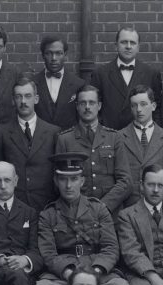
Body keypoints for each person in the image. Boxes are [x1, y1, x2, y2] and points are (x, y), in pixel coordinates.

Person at [34, 153, 132, 285]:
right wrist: (70, 274)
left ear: (82, 180)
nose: (68, 185)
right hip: (63, 275)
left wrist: (95, 273)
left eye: (73, 179)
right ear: (56, 181)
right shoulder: (48, 214)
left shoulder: (99, 209)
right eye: (63, 179)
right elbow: (48, 254)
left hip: (97, 272)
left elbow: (111, 247)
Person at [55, 85, 132, 214]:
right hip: (77, 214)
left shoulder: (114, 137)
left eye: (92, 103)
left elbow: (125, 181)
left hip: (110, 214)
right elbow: (59, 181)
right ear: (77, 106)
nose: (87, 107)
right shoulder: (65, 139)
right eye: (83, 103)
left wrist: (103, 206)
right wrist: (82, 208)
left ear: (99, 106)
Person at [0, 75, 60, 211]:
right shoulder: (1, 132)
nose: (23, 101)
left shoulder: (53, 132)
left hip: (46, 205)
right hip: (14, 206)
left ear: (36, 99)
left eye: (28, 96)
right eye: (18, 96)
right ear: (13, 100)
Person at [91, 25, 163, 131]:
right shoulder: (100, 74)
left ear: (138, 47)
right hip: (110, 136)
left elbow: (157, 110)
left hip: (140, 137)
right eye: (124, 42)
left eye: (132, 43)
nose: (128, 46)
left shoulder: (151, 74)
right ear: (116, 45)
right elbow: (94, 108)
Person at [117, 85, 163, 208]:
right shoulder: (119, 137)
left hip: (159, 205)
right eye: (134, 105)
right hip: (129, 206)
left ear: (153, 106)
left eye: (143, 104)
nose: (138, 109)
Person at [33, 34, 85, 130]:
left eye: (58, 53)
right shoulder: (32, 83)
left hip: (69, 142)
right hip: (41, 142)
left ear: (65, 54)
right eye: (49, 53)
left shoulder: (79, 84)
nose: (54, 58)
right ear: (43, 55)